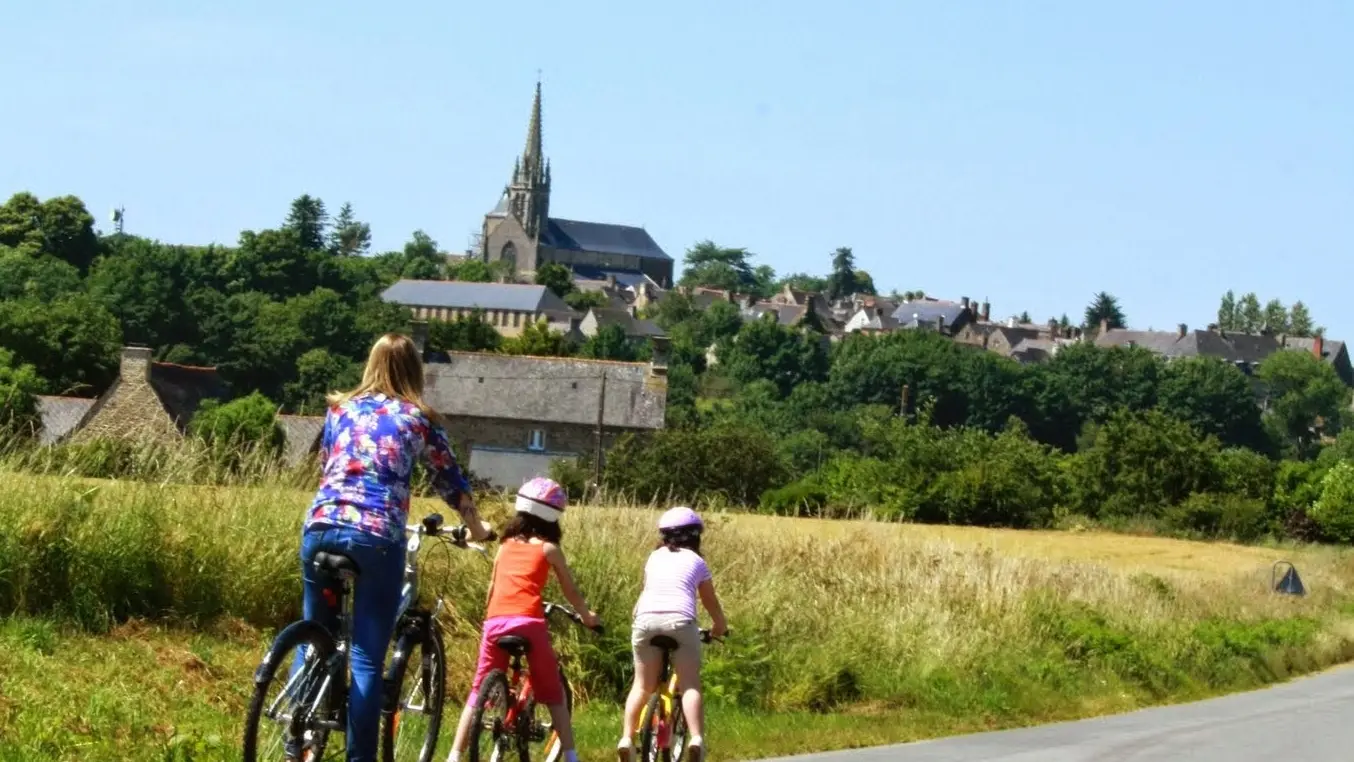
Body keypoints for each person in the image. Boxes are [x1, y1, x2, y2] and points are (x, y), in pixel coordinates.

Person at [297, 332, 493, 762]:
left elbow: (326, 465)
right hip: (375, 535)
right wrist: (475, 526)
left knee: (315, 634)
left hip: (320, 524)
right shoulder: (417, 418)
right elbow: (449, 480)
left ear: (370, 364)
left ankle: (298, 738)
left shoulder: (339, 409)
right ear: (415, 372)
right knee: (367, 655)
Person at [448, 477, 599, 762]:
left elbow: (492, 588)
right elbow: (571, 590)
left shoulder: (504, 546)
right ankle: (570, 755)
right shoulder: (549, 549)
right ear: (554, 517)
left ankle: (454, 754)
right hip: (529, 622)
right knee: (552, 691)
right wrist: (587, 616)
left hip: (495, 621)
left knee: (478, 689)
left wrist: (489, 617)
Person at [617, 506, 727, 762]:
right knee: (689, 684)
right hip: (681, 622)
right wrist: (719, 626)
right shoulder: (697, 562)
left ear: (664, 536)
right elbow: (710, 602)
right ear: (695, 537)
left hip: (645, 621)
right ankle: (697, 740)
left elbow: (643, 595)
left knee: (642, 685)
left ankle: (626, 739)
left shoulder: (653, 558)